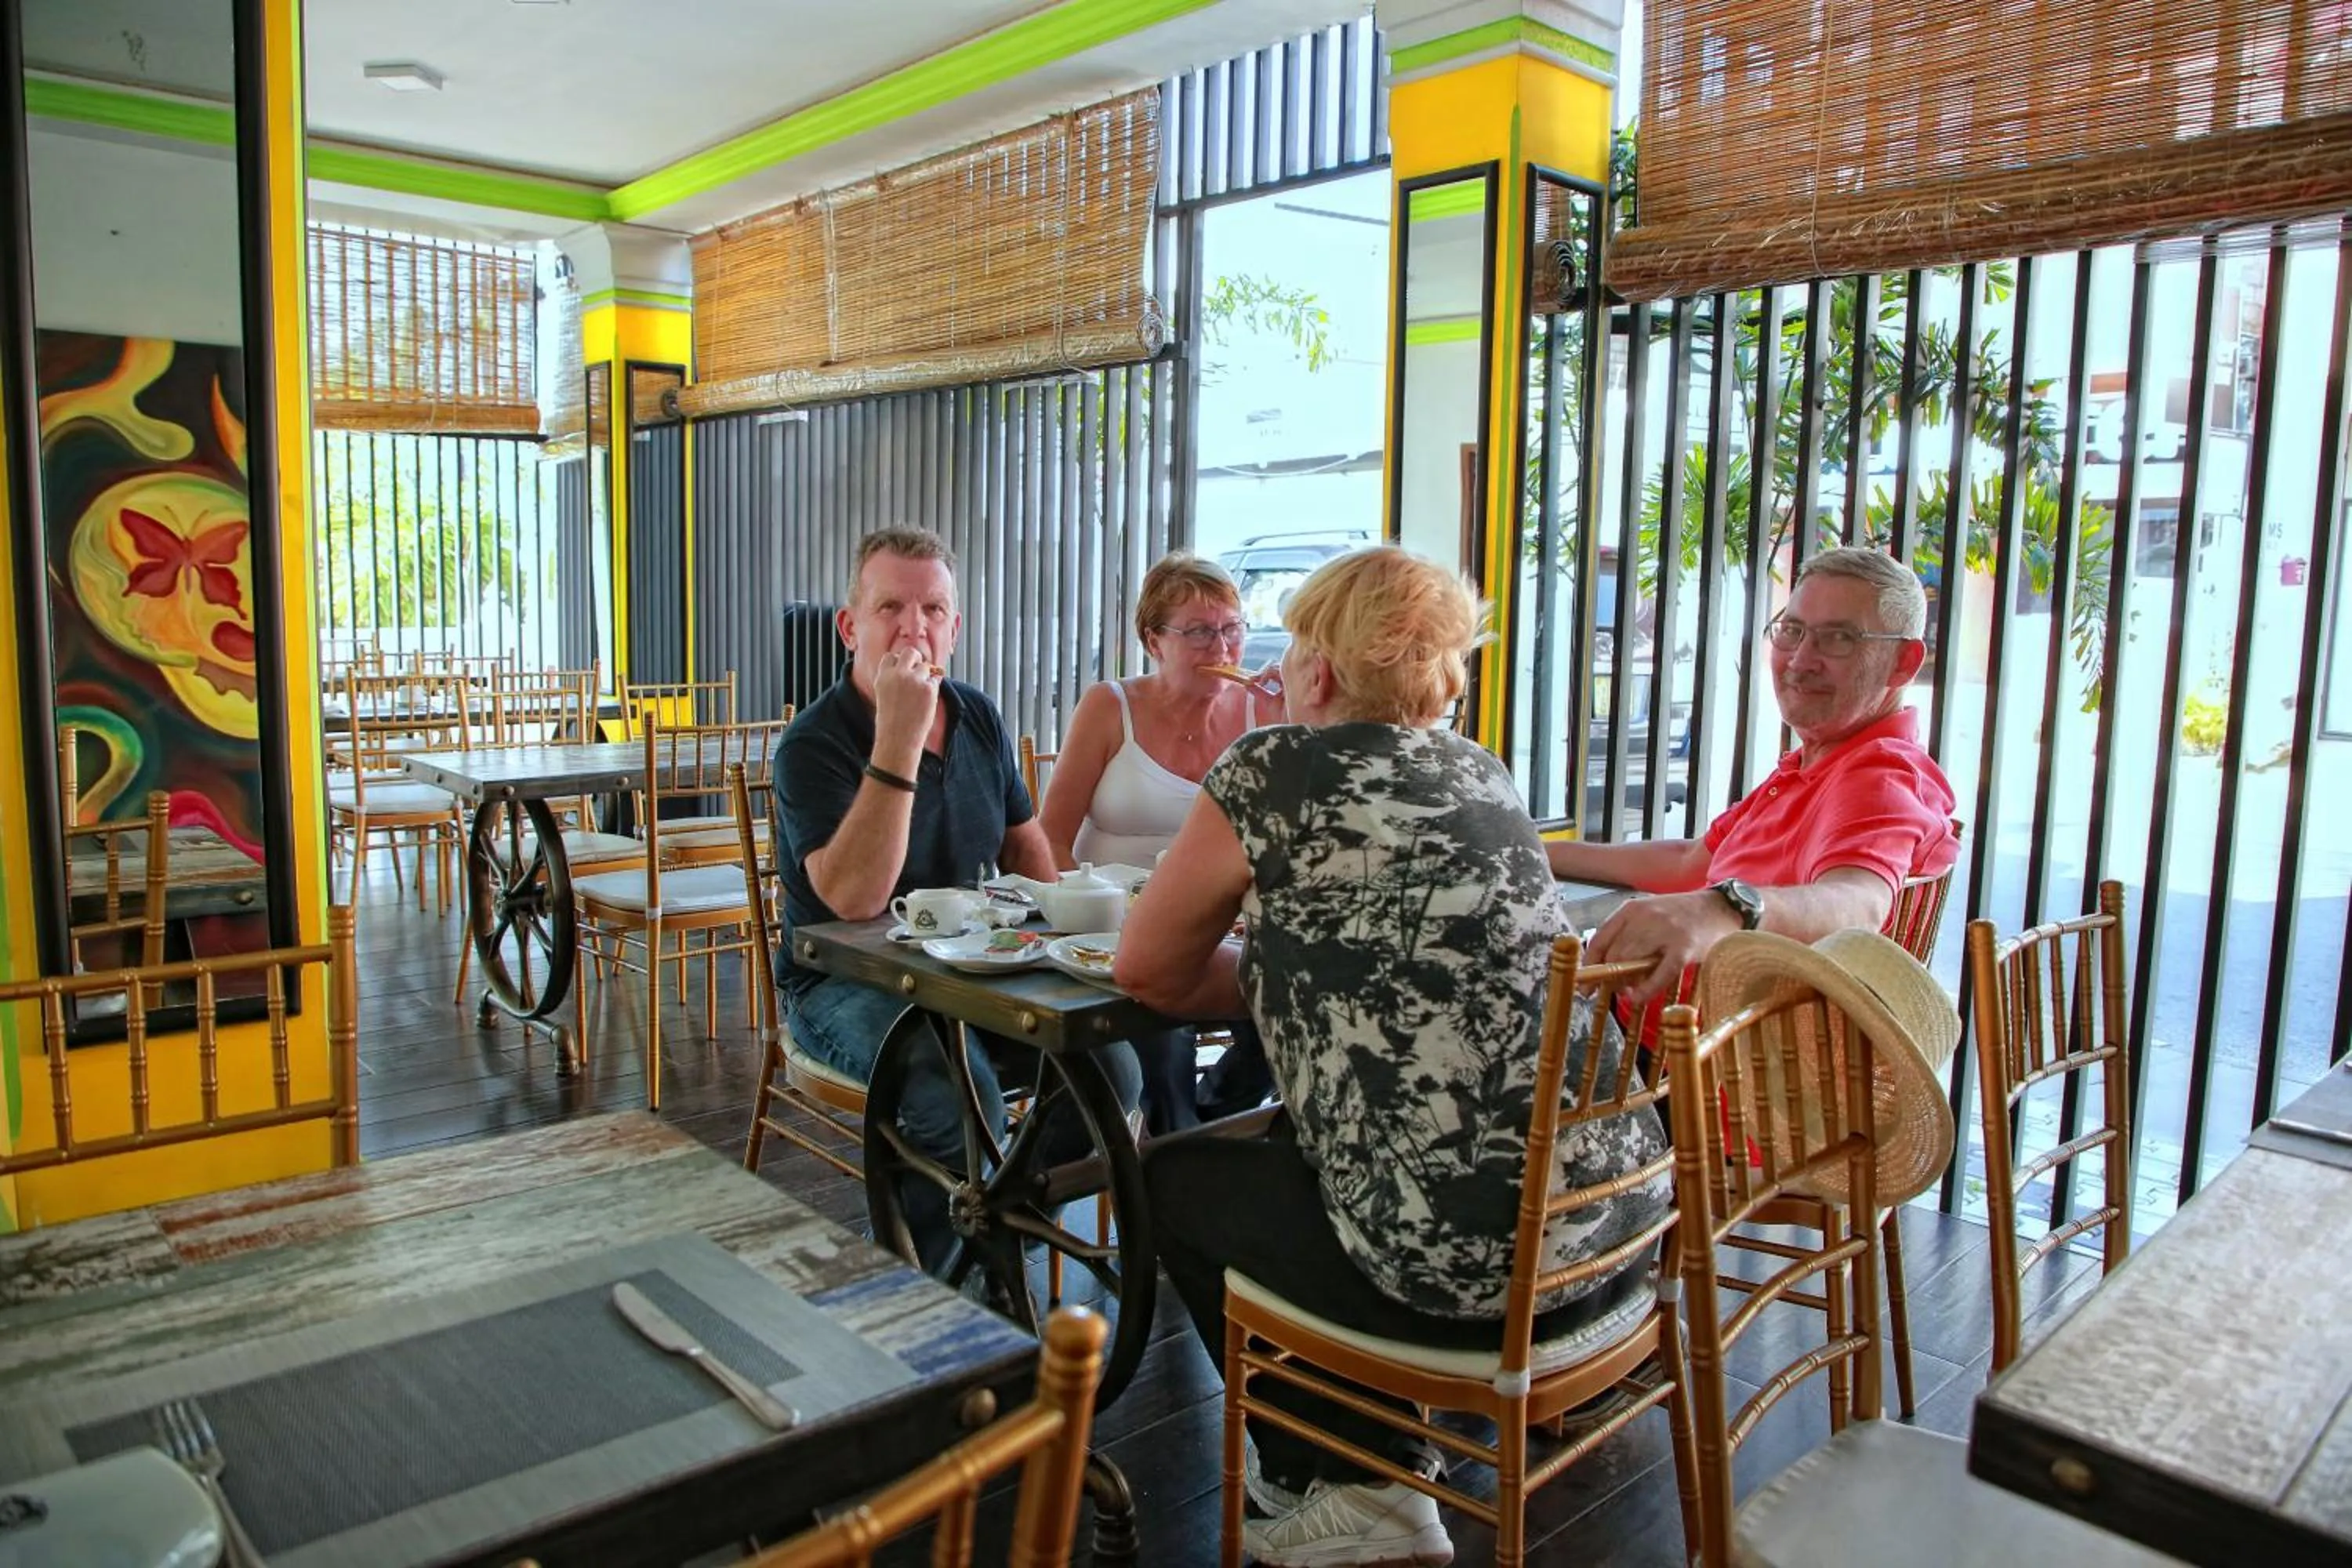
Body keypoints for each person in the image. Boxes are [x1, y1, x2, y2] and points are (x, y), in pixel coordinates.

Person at [1117, 548, 1671, 1568]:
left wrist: (1269, 961)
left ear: (1320, 671)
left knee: (1174, 1180)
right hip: (1620, 1240)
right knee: (1309, 1138)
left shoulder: (1270, 768)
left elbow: (1147, 972)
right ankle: (1378, 1434)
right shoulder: (1484, 772)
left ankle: (1348, 1485)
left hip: (1483, 1280)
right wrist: (1300, 969)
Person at [773, 527, 1141, 1275]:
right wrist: (899, 738)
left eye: (934, 610)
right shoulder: (812, 744)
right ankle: (944, 1301)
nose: (915, 628)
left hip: (968, 972)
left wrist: (1070, 924)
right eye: (891, 609)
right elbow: (852, 899)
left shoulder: (976, 716)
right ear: (851, 627)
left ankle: (1002, 1214)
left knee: (1113, 1069)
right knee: (956, 1091)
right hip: (845, 983)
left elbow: (1026, 848)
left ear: (956, 626)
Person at [1549, 544, 1960, 1004]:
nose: (1802, 660)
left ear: (1904, 663)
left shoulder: (1878, 773)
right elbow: (1689, 862)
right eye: (1793, 630)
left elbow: (1859, 903)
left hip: (1677, 1060)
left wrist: (1726, 908)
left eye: (1839, 638)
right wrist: (1537, 851)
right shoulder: (1818, 762)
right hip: (1648, 1031)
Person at [1036, 551, 1272, 1131]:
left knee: (1282, 1012)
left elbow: (1276, 845)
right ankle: (1178, 1160)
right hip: (1114, 929)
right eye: (1198, 632)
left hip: (1222, 927)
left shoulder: (1259, 712)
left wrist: (1291, 730)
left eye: (1231, 630)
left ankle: (1192, 1144)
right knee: (1163, 1037)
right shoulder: (1110, 706)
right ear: (1153, 640)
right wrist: (1088, 917)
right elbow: (1050, 838)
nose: (1221, 650)